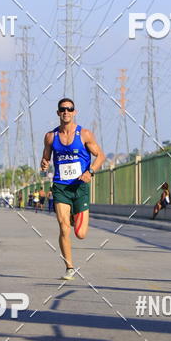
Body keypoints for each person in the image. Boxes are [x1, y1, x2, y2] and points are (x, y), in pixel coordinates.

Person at [40, 97, 105, 280]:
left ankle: (74, 215)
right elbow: (45, 158)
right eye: (63, 109)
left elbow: (100, 156)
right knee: (63, 227)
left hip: (80, 186)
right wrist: (44, 163)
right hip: (61, 186)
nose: (66, 112)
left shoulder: (84, 134)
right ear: (58, 113)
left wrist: (90, 172)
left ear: (74, 112)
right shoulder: (50, 136)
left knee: (81, 234)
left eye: (69, 109)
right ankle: (69, 267)